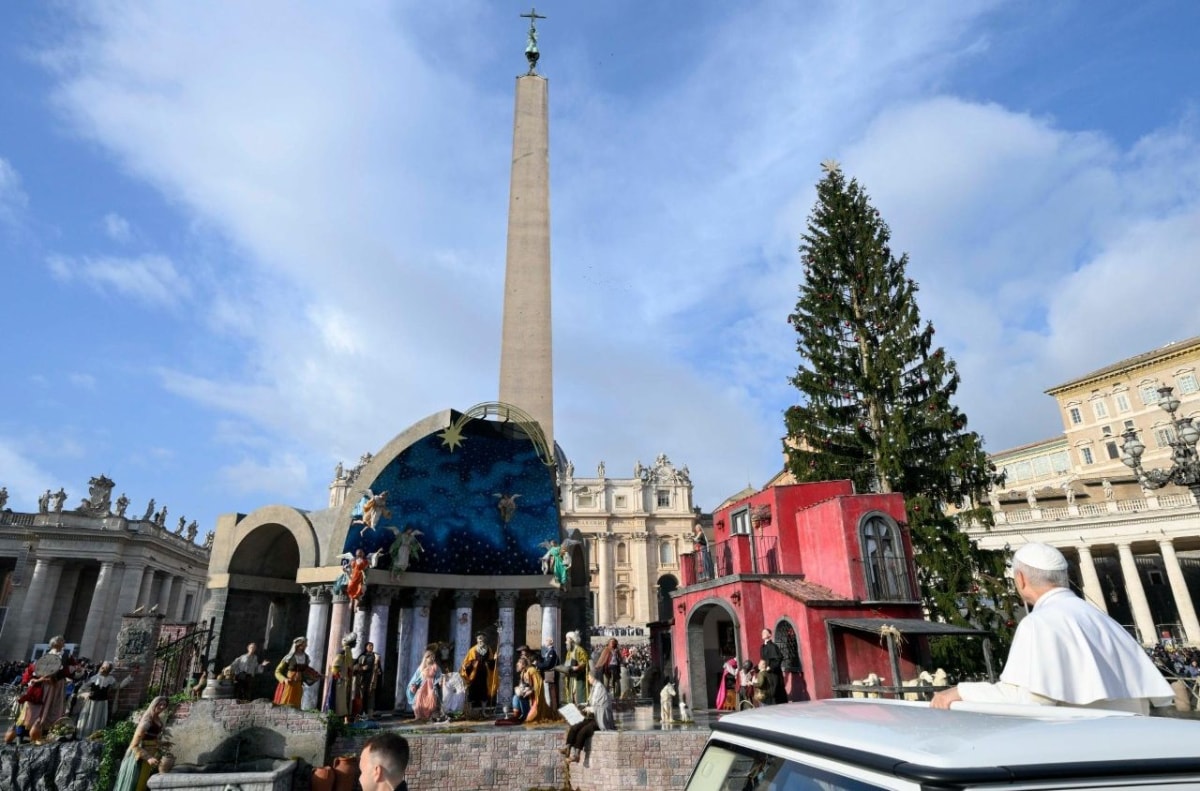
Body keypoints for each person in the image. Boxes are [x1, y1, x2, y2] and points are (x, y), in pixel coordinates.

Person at [931, 543, 1174, 715]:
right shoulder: (1104, 620)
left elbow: (1028, 701)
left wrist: (959, 692)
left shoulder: (1039, 623)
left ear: (1021, 579)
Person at [558, 667, 614, 763]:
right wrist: (580, 705)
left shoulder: (600, 689)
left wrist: (588, 709)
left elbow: (600, 707)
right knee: (575, 726)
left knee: (583, 731)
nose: (588, 679)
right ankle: (567, 748)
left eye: (589, 677)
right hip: (592, 716)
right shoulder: (594, 687)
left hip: (600, 719)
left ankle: (576, 755)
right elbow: (591, 702)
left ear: (593, 677)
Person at [113, 695, 168, 791]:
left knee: (142, 782)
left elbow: (151, 737)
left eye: (164, 705)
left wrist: (161, 743)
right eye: (160, 704)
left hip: (149, 754)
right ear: (154, 704)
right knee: (134, 782)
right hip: (138, 756)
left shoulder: (157, 719)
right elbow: (135, 744)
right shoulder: (146, 721)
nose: (162, 707)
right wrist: (148, 757)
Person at [273, 636, 318, 708]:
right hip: (289, 684)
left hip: (298, 685)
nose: (306, 645)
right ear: (298, 645)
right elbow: (278, 671)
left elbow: (306, 670)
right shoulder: (289, 657)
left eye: (305, 644)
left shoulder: (306, 657)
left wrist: (316, 675)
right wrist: (284, 679)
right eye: (304, 644)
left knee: (296, 705)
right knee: (285, 703)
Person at [460, 632, 498, 714]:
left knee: (484, 692)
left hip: (484, 673)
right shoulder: (472, 650)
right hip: (474, 674)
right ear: (477, 640)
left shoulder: (488, 649)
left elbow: (491, 662)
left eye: (482, 638)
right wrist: (467, 666)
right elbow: (467, 662)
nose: (480, 639)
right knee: (472, 691)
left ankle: (483, 711)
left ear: (485, 639)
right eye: (479, 638)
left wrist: (494, 659)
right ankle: (469, 712)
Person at [77, 661, 117, 738]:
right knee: (88, 718)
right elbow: (82, 688)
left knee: (98, 719)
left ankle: (95, 736)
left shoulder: (111, 679)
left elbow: (117, 686)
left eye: (106, 668)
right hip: (91, 702)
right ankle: (84, 735)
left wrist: (128, 678)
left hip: (102, 703)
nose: (103, 669)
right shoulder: (94, 678)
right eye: (102, 667)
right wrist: (86, 694)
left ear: (109, 670)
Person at [326, 633, 358, 723]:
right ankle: (335, 721)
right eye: (354, 642)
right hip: (340, 681)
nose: (356, 643)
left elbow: (349, 665)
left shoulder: (348, 652)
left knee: (345, 701)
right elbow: (335, 666)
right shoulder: (342, 652)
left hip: (346, 681)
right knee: (339, 702)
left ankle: (345, 720)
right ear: (350, 643)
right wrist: (339, 676)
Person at [408, 650, 442, 721]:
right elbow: (416, 678)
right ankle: (418, 716)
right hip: (423, 686)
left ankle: (431, 716)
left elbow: (439, 676)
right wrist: (413, 685)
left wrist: (440, 681)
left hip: (431, 686)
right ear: (426, 658)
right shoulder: (421, 668)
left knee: (432, 699)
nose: (432, 658)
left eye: (433, 657)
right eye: (431, 657)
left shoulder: (435, 667)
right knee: (419, 699)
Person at [355, 641, 383, 717]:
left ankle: (370, 714)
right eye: (370, 646)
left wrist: (379, 671)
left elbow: (378, 667)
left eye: (372, 646)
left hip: (372, 679)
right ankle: (360, 714)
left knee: (371, 696)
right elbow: (355, 667)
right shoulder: (362, 656)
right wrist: (362, 668)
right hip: (363, 679)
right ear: (366, 647)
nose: (371, 647)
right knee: (362, 696)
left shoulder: (375, 656)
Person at [562, 631, 590, 704]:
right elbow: (567, 663)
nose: (565, 642)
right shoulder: (569, 651)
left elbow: (584, 662)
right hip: (572, 677)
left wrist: (578, 667)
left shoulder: (580, 650)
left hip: (579, 677)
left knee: (579, 697)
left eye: (567, 640)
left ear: (572, 640)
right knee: (573, 697)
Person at [760, 628, 787, 704]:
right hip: (766, 674)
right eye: (762, 632)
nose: (762, 633)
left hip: (773, 675)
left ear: (770, 635)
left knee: (775, 694)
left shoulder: (773, 646)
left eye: (765, 632)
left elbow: (779, 658)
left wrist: (771, 667)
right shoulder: (762, 647)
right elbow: (763, 661)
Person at [536, 636, 560, 712]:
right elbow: (545, 661)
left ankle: (554, 711)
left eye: (547, 640)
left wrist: (538, 664)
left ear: (551, 641)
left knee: (553, 693)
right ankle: (553, 710)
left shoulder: (552, 652)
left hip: (551, 674)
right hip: (549, 674)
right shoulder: (549, 651)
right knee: (551, 691)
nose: (545, 642)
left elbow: (548, 664)